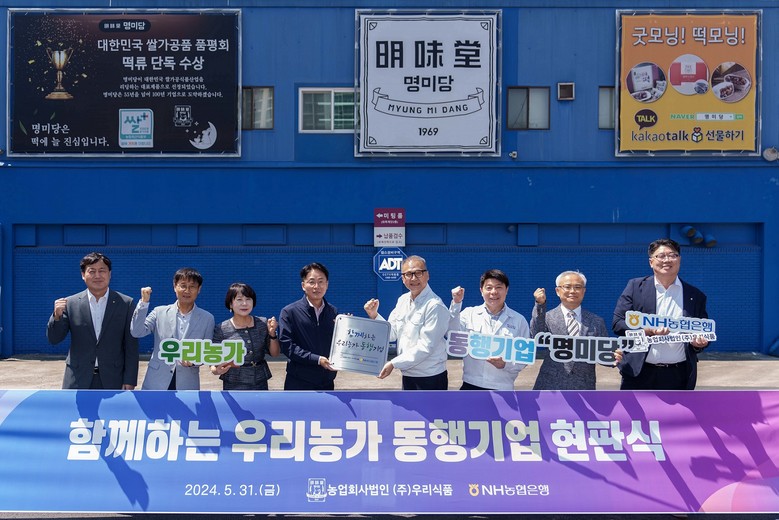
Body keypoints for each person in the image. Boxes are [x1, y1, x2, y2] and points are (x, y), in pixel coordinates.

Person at [613, 238, 709, 390]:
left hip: (679, 374)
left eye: (672, 255)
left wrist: (699, 344)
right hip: (638, 372)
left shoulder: (695, 295)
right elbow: (618, 323)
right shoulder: (635, 287)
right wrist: (646, 331)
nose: (667, 260)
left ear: (679, 260)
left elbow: (704, 331)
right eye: (661, 256)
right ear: (651, 262)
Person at [46, 252, 139, 390]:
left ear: (109, 274)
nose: (97, 276)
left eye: (102, 271)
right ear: (83, 275)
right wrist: (56, 316)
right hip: (78, 379)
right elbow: (54, 339)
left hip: (113, 379)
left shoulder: (125, 303)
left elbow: (131, 346)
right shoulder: (70, 304)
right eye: (92, 271)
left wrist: (130, 380)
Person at [364, 255, 449, 390]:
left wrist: (394, 363)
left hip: (430, 377)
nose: (413, 278)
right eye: (408, 274)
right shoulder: (402, 300)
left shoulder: (435, 306)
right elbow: (392, 333)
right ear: (403, 278)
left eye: (418, 273)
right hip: (408, 375)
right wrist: (374, 315)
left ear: (427, 275)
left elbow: (426, 346)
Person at [131, 267, 215, 390]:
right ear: (175, 286)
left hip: (187, 383)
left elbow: (206, 351)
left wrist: (194, 361)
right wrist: (143, 303)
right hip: (156, 382)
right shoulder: (159, 312)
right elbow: (136, 332)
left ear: (199, 289)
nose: (187, 290)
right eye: (183, 286)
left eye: (192, 287)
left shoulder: (207, 318)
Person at [449, 269, 529, 390]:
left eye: (499, 287)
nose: (494, 292)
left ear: (506, 290)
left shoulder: (519, 320)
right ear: (481, 290)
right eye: (489, 288)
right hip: (471, 384)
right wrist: (456, 303)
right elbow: (451, 333)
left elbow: (524, 356)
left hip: (503, 387)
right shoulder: (469, 314)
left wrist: (505, 364)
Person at [530, 270, 609, 390]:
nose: (572, 291)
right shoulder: (547, 317)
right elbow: (535, 335)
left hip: (584, 387)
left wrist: (615, 357)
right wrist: (540, 305)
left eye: (577, 287)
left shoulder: (596, 321)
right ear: (558, 291)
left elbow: (605, 355)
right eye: (567, 287)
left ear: (584, 291)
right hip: (550, 386)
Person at [278, 262, 338, 390]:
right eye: (312, 282)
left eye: (321, 282)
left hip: (326, 381)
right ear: (303, 285)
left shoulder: (333, 312)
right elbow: (287, 346)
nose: (317, 286)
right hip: (298, 381)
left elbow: (339, 343)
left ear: (327, 284)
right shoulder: (289, 312)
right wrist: (317, 359)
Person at [210, 283, 280, 390]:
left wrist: (272, 334)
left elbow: (275, 354)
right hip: (233, 384)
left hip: (260, 382)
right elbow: (213, 359)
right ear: (230, 304)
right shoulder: (221, 328)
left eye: (248, 299)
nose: (244, 303)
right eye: (239, 299)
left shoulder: (262, 323)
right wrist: (215, 370)